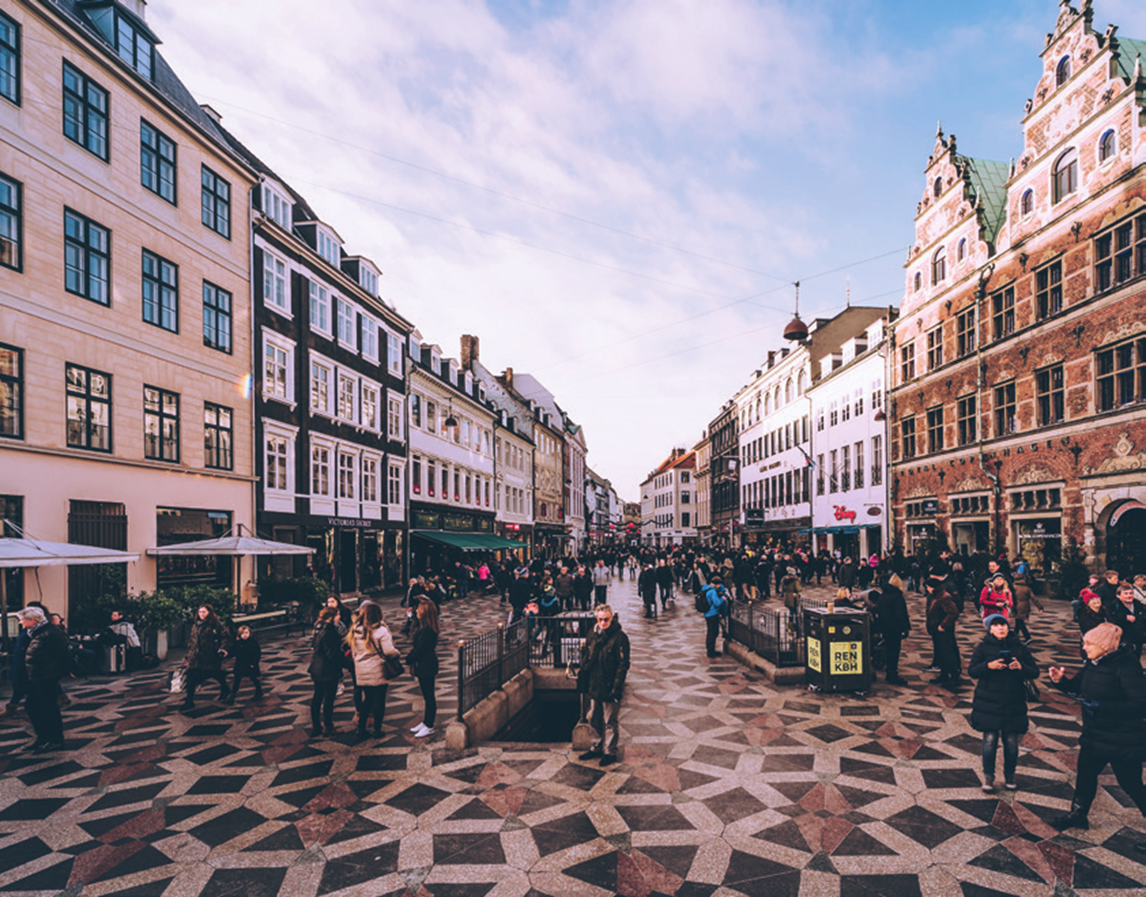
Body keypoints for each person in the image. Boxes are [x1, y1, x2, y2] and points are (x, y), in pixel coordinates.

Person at [1048, 623, 1146, 839]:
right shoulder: (1094, 663)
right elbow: (1078, 688)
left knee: (1132, 785)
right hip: (1095, 734)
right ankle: (1078, 815)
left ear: (1105, 646)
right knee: (1085, 776)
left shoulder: (1126, 665)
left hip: (1122, 738)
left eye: (1089, 643)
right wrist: (1060, 681)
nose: (1084, 647)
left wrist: (1102, 707)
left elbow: (1141, 704)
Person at [969, 614, 1039, 792]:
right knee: (990, 740)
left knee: (1011, 742)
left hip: (1013, 701)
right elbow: (972, 671)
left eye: (1003, 625)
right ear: (990, 629)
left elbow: (1035, 672)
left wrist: (1021, 667)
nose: (1001, 628)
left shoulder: (1020, 648)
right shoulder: (983, 648)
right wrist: (988, 666)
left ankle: (1010, 776)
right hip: (988, 701)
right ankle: (988, 777)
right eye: (996, 625)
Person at [577, 604, 630, 766]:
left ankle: (610, 751)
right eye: (600, 619)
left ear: (611, 618)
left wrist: (617, 687)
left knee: (610, 721)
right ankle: (596, 746)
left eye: (606, 619)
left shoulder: (620, 637)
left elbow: (623, 664)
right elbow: (586, 654)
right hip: (594, 683)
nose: (603, 622)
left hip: (609, 684)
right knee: (593, 717)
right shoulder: (592, 634)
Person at [18, 607, 70, 753]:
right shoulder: (35, 632)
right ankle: (44, 737)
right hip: (37, 676)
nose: (20, 622)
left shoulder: (50, 632)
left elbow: (63, 653)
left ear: (32, 620)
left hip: (47, 676)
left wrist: (64, 670)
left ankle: (55, 740)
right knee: (32, 706)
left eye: (22, 619)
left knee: (48, 708)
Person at [346, 603, 398, 741]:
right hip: (377, 670)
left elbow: (354, 652)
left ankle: (361, 728)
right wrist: (397, 654)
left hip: (362, 671)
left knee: (367, 700)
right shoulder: (381, 630)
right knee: (379, 701)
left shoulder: (355, 630)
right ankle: (377, 730)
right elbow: (389, 651)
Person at [181, 605, 231, 711]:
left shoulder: (215, 624)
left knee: (212, 673)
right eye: (200, 612)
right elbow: (192, 641)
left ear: (209, 612)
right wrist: (188, 656)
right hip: (195, 657)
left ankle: (225, 687)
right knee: (191, 679)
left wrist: (223, 649)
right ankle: (189, 701)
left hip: (210, 656)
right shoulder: (195, 625)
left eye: (204, 612)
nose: (201, 614)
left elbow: (225, 637)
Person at [308, 605, 345, 737]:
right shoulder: (330, 632)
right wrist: (347, 663)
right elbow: (333, 654)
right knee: (329, 699)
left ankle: (316, 725)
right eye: (337, 615)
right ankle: (328, 726)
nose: (339, 617)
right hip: (328, 670)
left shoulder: (318, 629)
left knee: (317, 697)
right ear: (331, 617)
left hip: (317, 668)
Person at [407, 599, 441, 738]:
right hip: (424, 664)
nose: (416, 611)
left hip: (427, 665)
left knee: (429, 696)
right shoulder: (424, 627)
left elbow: (420, 648)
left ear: (424, 612)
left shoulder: (427, 630)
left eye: (419, 610)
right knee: (426, 695)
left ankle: (429, 724)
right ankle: (426, 721)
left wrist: (409, 658)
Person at [872, 575, 910, 686]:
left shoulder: (883, 594)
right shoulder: (897, 596)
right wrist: (905, 627)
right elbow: (901, 614)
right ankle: (892, 673)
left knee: (888, 650)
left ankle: (890, 671)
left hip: (885, 626)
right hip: (895, 627)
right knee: (894, 651)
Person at [926, 581, 962, 689]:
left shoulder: (944, 597)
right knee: (941, 653)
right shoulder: (937, 596)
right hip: (937, 630)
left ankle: (954, 676)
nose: (927, 589)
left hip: (943, 630)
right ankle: (944, 675)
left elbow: (953, 612)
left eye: (928, 587)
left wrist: (943, 625)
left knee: (947, 653)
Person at [1107, 582, 1146, 657]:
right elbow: (1110, 620)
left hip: (1138, 639)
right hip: (1122, 640)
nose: (1129, 596)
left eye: (1131, 593)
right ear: (1118, 596)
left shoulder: (1139, 605)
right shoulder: (1112, 607)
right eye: (1126, 593)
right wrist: (1124, 617)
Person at [227, 625, 263, 703]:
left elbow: (257, 654)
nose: (245, 635)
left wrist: (254, 663)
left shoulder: (253, 642)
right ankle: (232, 697)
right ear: (239, 635)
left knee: (254, 678)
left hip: (250, 664)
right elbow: (233, 652)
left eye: (246, 633)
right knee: (237, 680)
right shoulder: (238, 643)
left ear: (250, 633)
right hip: (240, 664)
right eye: (242, 633)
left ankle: (259, 691)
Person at [702, 577, 730, 659]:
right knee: (713, 632)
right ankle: (711, 651)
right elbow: (717, 603)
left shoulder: (706, 589)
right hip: (712, 614)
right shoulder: (712, 591)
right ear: (716, 584)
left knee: (710, 632)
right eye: (719, 585)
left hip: (708, 614)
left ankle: (710, 649)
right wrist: (723, 598)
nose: (719, 587)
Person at [1010, 573, 1042, 644]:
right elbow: (1034, 598)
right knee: (1018, 622)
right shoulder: (1027, 588)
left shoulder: (1013, 587)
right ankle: (1015, 637)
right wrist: (1040, 607)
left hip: (1016, 606)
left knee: (1019, 622)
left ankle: (1027, 637)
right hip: (1025, 606)